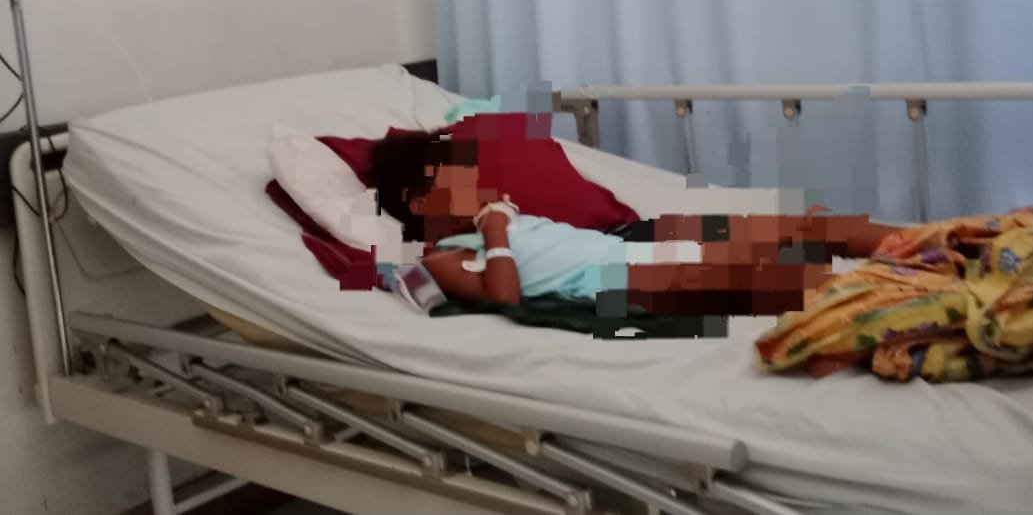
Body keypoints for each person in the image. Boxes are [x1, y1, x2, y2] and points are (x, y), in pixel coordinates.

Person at [369, 132, 899, 316]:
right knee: (792, 277)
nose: (474, 177)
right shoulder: (443, 257)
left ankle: (931, 246)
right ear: (418, 200)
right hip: (627, 277)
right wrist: (497, 230)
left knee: (802, 228)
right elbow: (503, 297)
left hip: (627, 246)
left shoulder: (492, 222)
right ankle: (908, 294)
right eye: (456, 171)